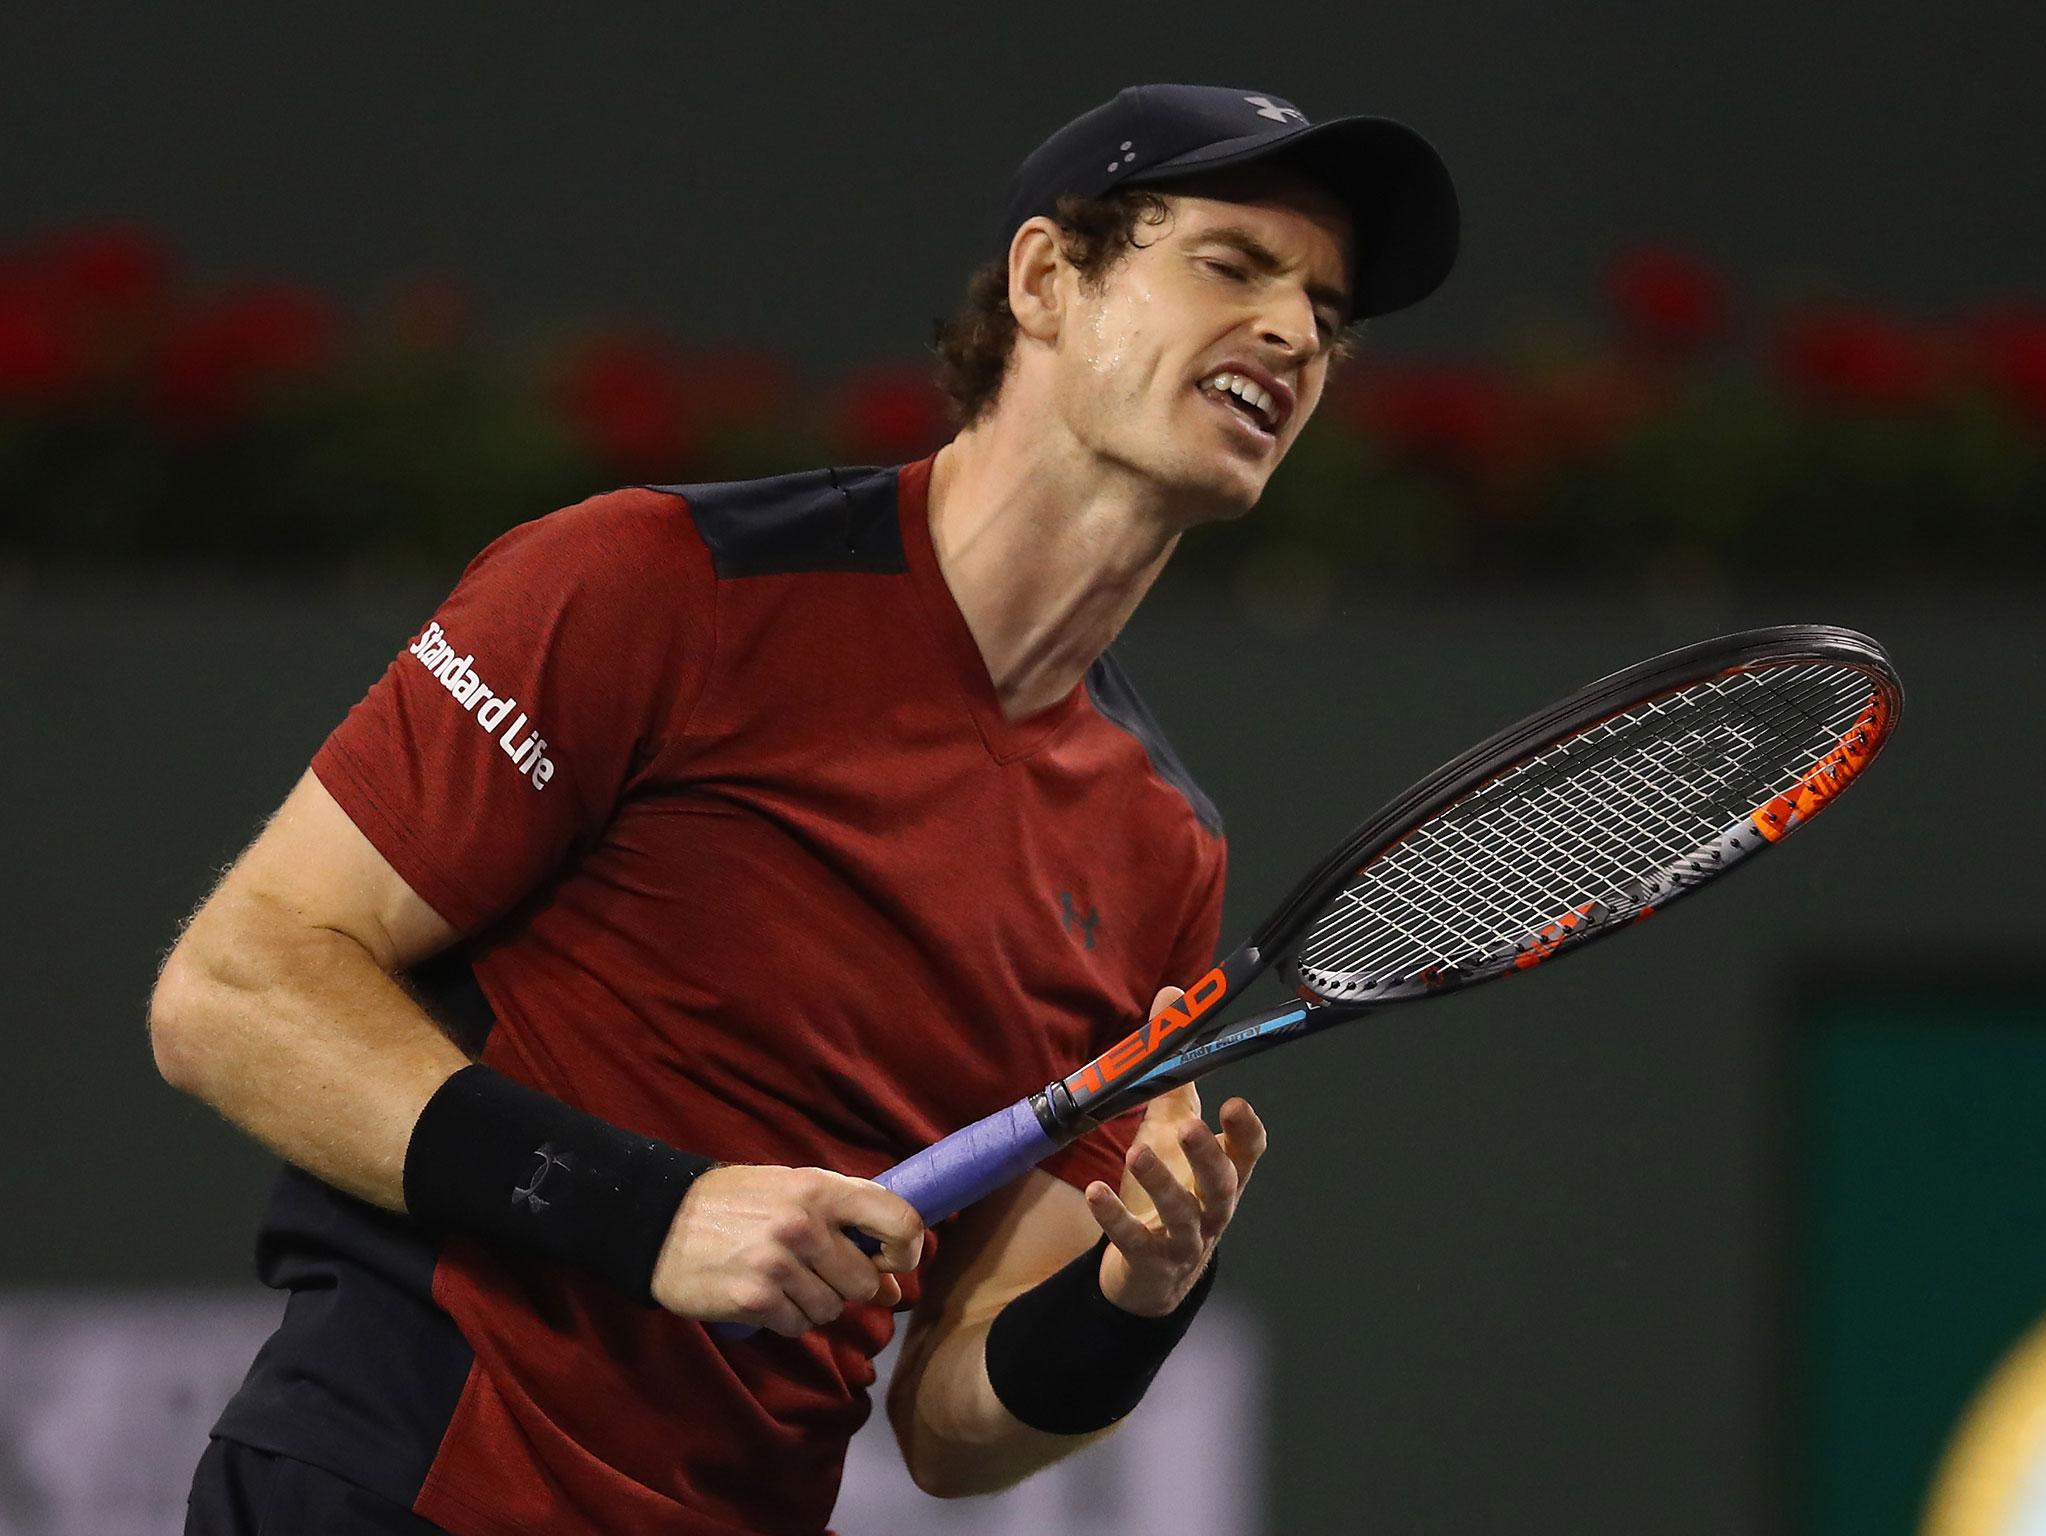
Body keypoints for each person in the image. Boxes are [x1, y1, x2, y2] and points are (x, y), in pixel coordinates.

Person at [149, 83, 1457, 1536]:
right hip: (400, 1488)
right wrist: (658, 1215)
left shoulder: (1160, 850)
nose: (1291, 334)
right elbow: (233, 988)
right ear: (1045, 279)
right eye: (1231, 264)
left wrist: (1129, 1305)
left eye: (1325, 315)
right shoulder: (657, 585)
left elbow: (952, 1420)